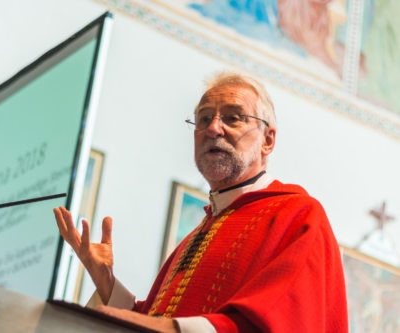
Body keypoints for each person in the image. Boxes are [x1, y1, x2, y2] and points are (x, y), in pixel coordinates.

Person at [53, 72, 348, 332]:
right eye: (204, 118)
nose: (213, 128)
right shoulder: (204, 229)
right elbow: (155, 320)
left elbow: (281, 321)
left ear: (267, 140)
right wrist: (106, 282)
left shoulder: (298, 215)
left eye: (233, 117)